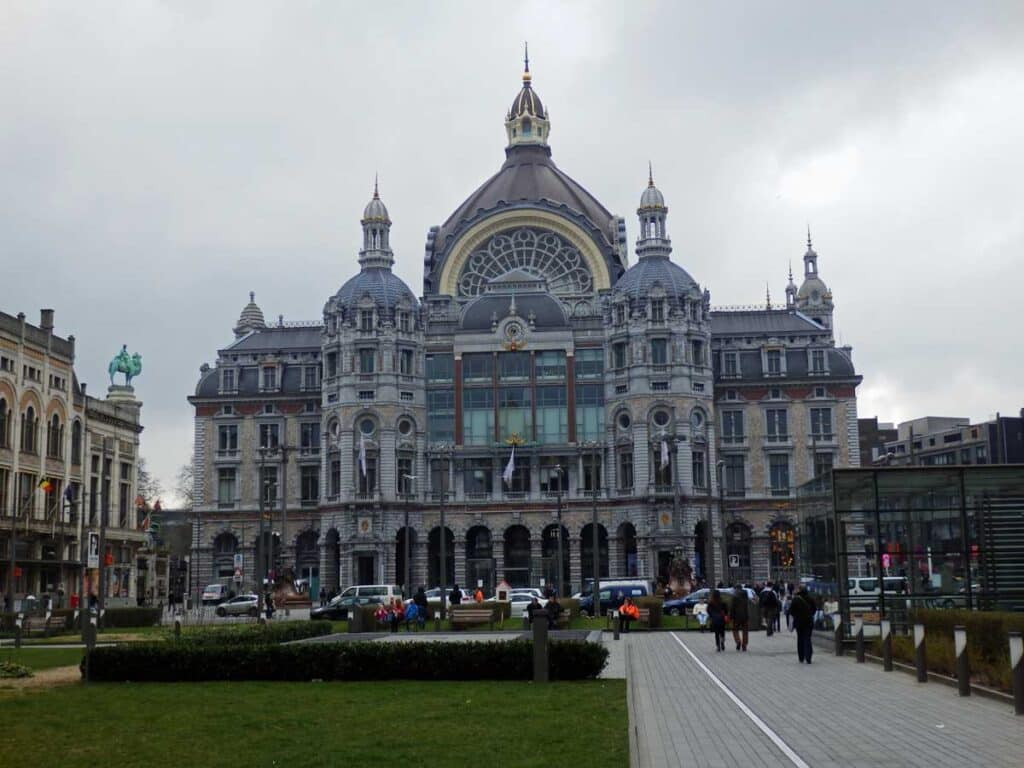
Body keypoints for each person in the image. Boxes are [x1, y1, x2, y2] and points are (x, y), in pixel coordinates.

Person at [789, 585, 816, 663]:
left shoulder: (796, 599)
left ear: (799, 590)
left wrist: (796, 615)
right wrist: (809, 614)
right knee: (807, 638)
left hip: (799, 622)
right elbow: (814, 609)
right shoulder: (810, 598)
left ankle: (801, 657)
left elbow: (791, 611)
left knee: (800, 638)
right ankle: (808, 657)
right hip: (808, 621)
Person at [731, 585, 750, 651]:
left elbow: (732, 608)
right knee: (745, 631)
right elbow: (747, 606)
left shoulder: (735, 596)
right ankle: (744, 645)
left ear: (736, 588)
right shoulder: (745, 595)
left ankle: (738, 641)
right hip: (745, 616)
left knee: (735, 630)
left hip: (736, 617)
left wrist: (731, 616)